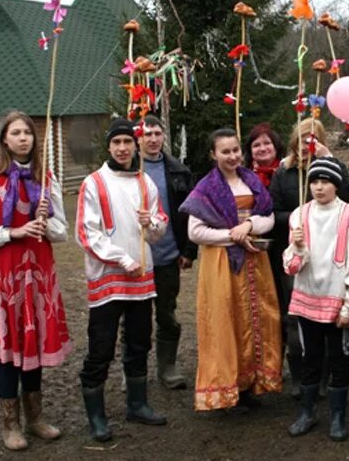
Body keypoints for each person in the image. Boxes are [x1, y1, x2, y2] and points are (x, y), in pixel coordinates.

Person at [0, 111, 71, 451]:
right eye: (16, 132)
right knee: (9, 351)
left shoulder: (46, 179)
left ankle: (36, 418)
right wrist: (14, 231)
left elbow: (61, 233)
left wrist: (47, 217)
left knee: (34, 346)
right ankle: (10, 424)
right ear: (5, 140)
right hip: (5, 274)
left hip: (38, 273)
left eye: (28, 132)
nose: (23, 137)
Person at [76, 118, 169, 442]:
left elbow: (158, 231)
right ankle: (97, 416)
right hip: (109, 279)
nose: (123, 148)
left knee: (140, 341)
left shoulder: (146, 183)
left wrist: (152, 223)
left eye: (128, 142)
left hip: (140, 280)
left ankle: (137, 403)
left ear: (136, 145)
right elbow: (88, 234)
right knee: (101, 346)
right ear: (109, 146)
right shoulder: (94, 183)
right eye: (116, 142)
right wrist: (122, 259)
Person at [180, 128, 283, 410]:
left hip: (255, 262)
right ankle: (226, 386)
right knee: (226, 319)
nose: (233, 156)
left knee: (256, 318)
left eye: (236, 150)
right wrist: (233, 235)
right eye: (225, 151)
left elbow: (268, 216)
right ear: (213, 154)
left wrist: (249, 227)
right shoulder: (206, 188)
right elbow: (196, 233)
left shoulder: (251, 180)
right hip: (222, 263)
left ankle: (251, 383)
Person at [282, 158, 349, 441]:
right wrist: (297, 247)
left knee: (339, 359)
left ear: (336, 184)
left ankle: (337, 416)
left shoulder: (348, 216)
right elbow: (292, 266)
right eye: (314, 181)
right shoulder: (300, 215)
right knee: (310, 358)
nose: (319, 188)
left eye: (325, 182)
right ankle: (307, 412)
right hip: (309, 298)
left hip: (337, 299)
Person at [269, 119, 349, 396]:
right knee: (295, 317)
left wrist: (331, 161)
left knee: (329, 318)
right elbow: (274, 210)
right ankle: (300, 375)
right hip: (297, 253)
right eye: (303, 138)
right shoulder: (284, 171)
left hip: (329, 257)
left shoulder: (330, 169)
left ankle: (329, 375)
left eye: (313, 139)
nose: (307, 144)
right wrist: (297, 223)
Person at [138, 115, 197, 389]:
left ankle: (167, 367)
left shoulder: (178, 171)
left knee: (166, 313)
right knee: (134, 319)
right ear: (139, 137)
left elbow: (188, 213)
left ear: (163, 136)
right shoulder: (129, 170)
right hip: (135, 258)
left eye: (157, 134)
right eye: (147, 134)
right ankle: (134, 369)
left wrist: (188, 249)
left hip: (167, 256)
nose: (152, 139)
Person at [244, 122, 285, 188]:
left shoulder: (287, 172)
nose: (262, 149)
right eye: (256, 145)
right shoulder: (243, 177)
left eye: (267, 143)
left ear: (276, 147)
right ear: (250, 151)